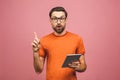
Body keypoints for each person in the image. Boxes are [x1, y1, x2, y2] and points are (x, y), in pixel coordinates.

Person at [32, 6, 87, 80]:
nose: (58, 22)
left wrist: (77, 67)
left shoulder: (77, 39)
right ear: (50, 21)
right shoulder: (43, 40)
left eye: (61, 18)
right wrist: (35, 52)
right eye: (55, 18)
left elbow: (83, 66)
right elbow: (38, 70)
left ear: (66, 20)